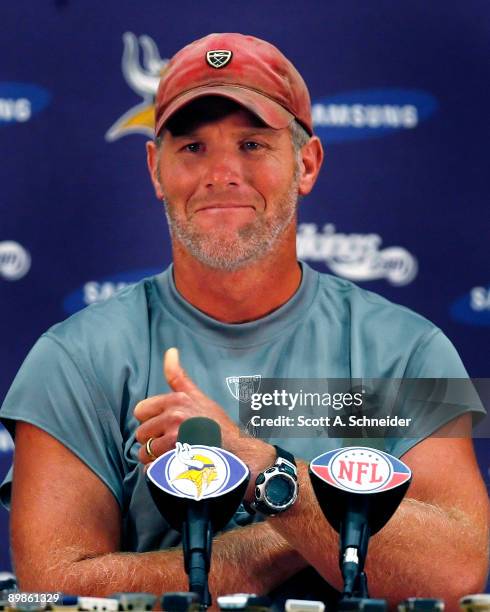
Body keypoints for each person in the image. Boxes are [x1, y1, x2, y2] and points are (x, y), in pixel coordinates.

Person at [1, 33, 488, 609]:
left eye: (253, 144)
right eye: (193, 149)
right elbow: (55, 587)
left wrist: (259, 465)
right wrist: (307, 532)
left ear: (306, 164)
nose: (222, 173)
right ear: (156, 170)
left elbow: (456, 572)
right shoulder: (72, 360)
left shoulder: (410, 348)